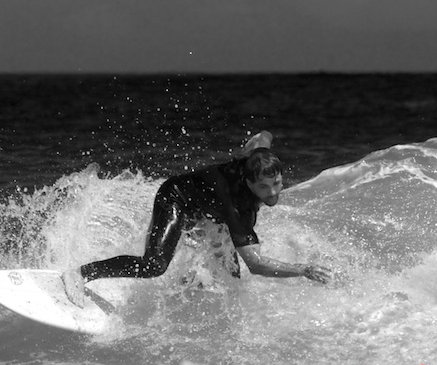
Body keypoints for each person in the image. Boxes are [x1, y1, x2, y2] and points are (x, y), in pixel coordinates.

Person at [62, 131, 332, 306]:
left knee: (229, 281)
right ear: (249, 182)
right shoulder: (239, 209)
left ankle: (178, 298)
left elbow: (261, 139)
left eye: (278, 184)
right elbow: (257, 265)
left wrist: (266, 136)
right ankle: (83, 273)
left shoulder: (259, 160)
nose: (273, 193)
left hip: (208, 214)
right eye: (264, 188)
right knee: (155, 264)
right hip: (177, 198)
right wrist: (303, 269)